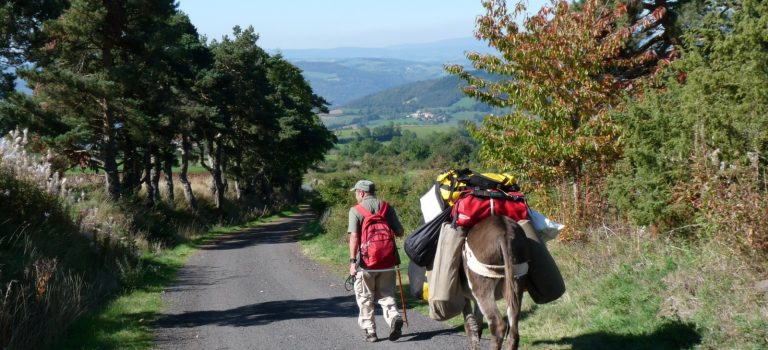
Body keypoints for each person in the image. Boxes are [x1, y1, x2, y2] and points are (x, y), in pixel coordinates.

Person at [347, 179, 405, 342]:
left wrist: (352, 262)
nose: (356, 195)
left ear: (361, 193)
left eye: (356, 192)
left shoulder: (356, 210)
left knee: (365, 297)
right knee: (387, 294)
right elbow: (400, 232)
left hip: (366, 263)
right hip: (388, 261)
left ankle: (371, 332)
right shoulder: (386, 207)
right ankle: (394, 317)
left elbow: (354, 237)